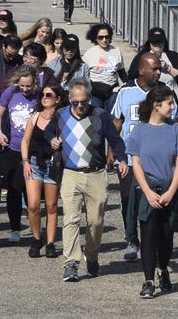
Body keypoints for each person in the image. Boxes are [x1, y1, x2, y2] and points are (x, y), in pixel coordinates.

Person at [56, 78, 129, 283]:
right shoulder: (60, 115)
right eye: (75, 102)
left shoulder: (100, 115)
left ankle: (92, 255)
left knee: (95, 221)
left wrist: (122, 159)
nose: (80, 106)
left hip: (96, 174)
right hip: (71, 174)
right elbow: (46, 132)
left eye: (84, 102)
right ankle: (71, 263)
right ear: (69, 98)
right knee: (71, 218)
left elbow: (115, 140)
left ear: (90, 98)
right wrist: (51, 140)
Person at [113, 52, 178, 262]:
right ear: (142, 70)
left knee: (157, 202)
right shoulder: (125, 91)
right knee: (128, 200)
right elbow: (117, 121)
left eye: (160, 69)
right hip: (130, 159)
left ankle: (156, 241)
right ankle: (132, 240)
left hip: (157, 159)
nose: (159, 73)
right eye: (155, 69)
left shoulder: (165, 93)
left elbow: (174, 124)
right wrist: (112, 150)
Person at [129, 83, 178, 299]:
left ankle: (163, 270)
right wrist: (147, 191)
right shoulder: (140, 130)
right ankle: (148, 281)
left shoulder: (176, 129)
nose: (173, 107)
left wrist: (172, 191)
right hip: (147, 190)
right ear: (156, 105)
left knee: (166, 236)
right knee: (148, 236)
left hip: (170, 189)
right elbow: (135, 162)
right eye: (169, 103)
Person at [0, 65, 41, 243]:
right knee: (13, 190)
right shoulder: (11, 93)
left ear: (35, 82)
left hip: (33, 149)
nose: (25, 89)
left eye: (29, 86)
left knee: (31, 191)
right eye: (22, 85)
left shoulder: (40, 95)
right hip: (12, 147)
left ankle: (34, 222)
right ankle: (15, 227)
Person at [21, 83, 65, 258]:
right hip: (34, 163)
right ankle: (36, 239)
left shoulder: (62, 118)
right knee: (32, 205)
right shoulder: (35, 117)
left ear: (58, 99)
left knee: (51, 206)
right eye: (43, 95)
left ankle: (50, 243)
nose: (44, 98)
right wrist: (25, 161)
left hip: (53, 165)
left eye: (49, 95)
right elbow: (25, 140)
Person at [126, 27, 178, 94]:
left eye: (160, 42)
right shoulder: (142, 56)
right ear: (149, 43)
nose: (157, 44)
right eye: (154, 42)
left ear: (164, 42)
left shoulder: (173, 56)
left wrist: (167, 67)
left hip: (171, 97)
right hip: (148, 96)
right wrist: (149, 65)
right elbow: (131, 76)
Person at [84, 22, 125, 110]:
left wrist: (129, 85)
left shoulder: (116, 51)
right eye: (100, 37)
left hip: (113, 90)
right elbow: (83, 75)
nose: (104, 40)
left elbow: (121, 71)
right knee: (97, 116)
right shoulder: (89, 54)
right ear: (95, 38)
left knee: (112, 116)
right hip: (96, 91)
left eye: (106, 37)